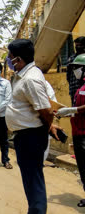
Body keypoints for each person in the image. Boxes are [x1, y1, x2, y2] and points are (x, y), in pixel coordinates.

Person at [5, 39, 56, 213]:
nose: (8, 60)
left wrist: (49, 127)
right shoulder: (23, 75)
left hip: (31, 136)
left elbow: (46, 110)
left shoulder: (31, 79)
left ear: (17, 59)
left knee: (33, 181)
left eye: (10, 56)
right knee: (30, 179)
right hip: (25, 135)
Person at [56, 53, 85, 207]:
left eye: (77, 68)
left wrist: (72, 110)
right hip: (79, 132)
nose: (75, 71)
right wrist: (66, 113)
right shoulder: (80, 86)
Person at [67, 37, 85, 103]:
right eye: (76, 45)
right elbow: (68, 76)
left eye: (80, 45)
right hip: (74, 89)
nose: (77, 47)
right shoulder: (72, 59)